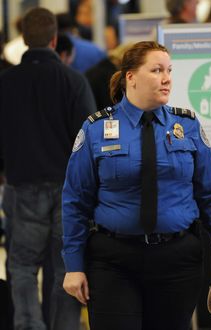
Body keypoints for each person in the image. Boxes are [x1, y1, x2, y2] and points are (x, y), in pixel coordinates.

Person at [61, 40, 211, 330]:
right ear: (130, 77)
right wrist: (73, 265)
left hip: (177, 259)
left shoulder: (187, 126)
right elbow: (75, 201)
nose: (167, 78)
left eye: (169, 70)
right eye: (157, 70)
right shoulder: (97, 129)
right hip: (113, 261)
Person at [0, 7, 97, 330]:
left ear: (24, 39)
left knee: (23, 265)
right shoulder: (74, 81)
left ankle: (28, 324)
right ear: (55, 39)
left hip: (21, 186)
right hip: (67, 191)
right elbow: (88, 139)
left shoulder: (6, 82)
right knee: (65, 266)